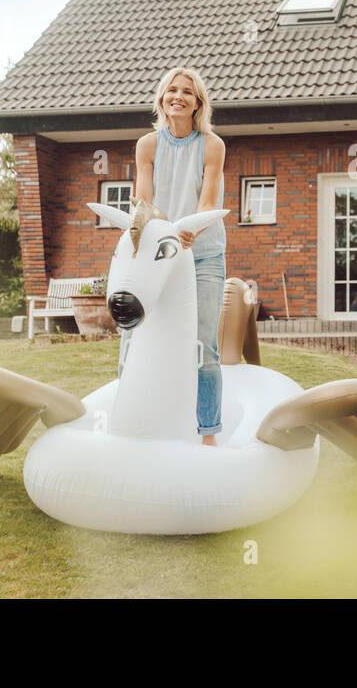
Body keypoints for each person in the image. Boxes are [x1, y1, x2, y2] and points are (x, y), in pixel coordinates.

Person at [121, 65, 228, 445]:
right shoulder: (148, 145)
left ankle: (209, 433)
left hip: (203, 253)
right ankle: (127, 420)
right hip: (159, 252)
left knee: (203, 343)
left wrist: (188, 231)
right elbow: (144, 201)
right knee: (133, 332)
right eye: (172, 90)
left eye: (187, 91)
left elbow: (208, 199)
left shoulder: (212, 145)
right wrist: (154, 235)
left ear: (198, 102)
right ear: (162, 99)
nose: (178, 96)